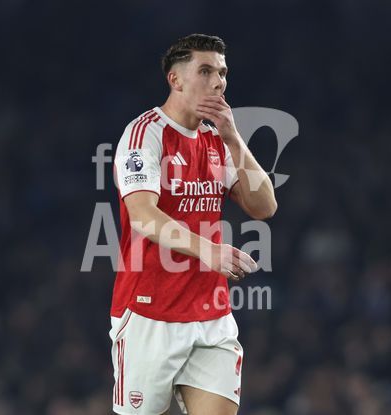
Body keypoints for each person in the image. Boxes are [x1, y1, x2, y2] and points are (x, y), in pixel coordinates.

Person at [110, 33, 277, 415]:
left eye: (222, 73)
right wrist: (208, 250)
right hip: (149, 314)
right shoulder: (144, 134)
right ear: (176, 79)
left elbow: (265, 206)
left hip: (211, 315)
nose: (218, 82)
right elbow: (143, 215)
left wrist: (233, 136)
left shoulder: (217, 140)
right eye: (205, 71)